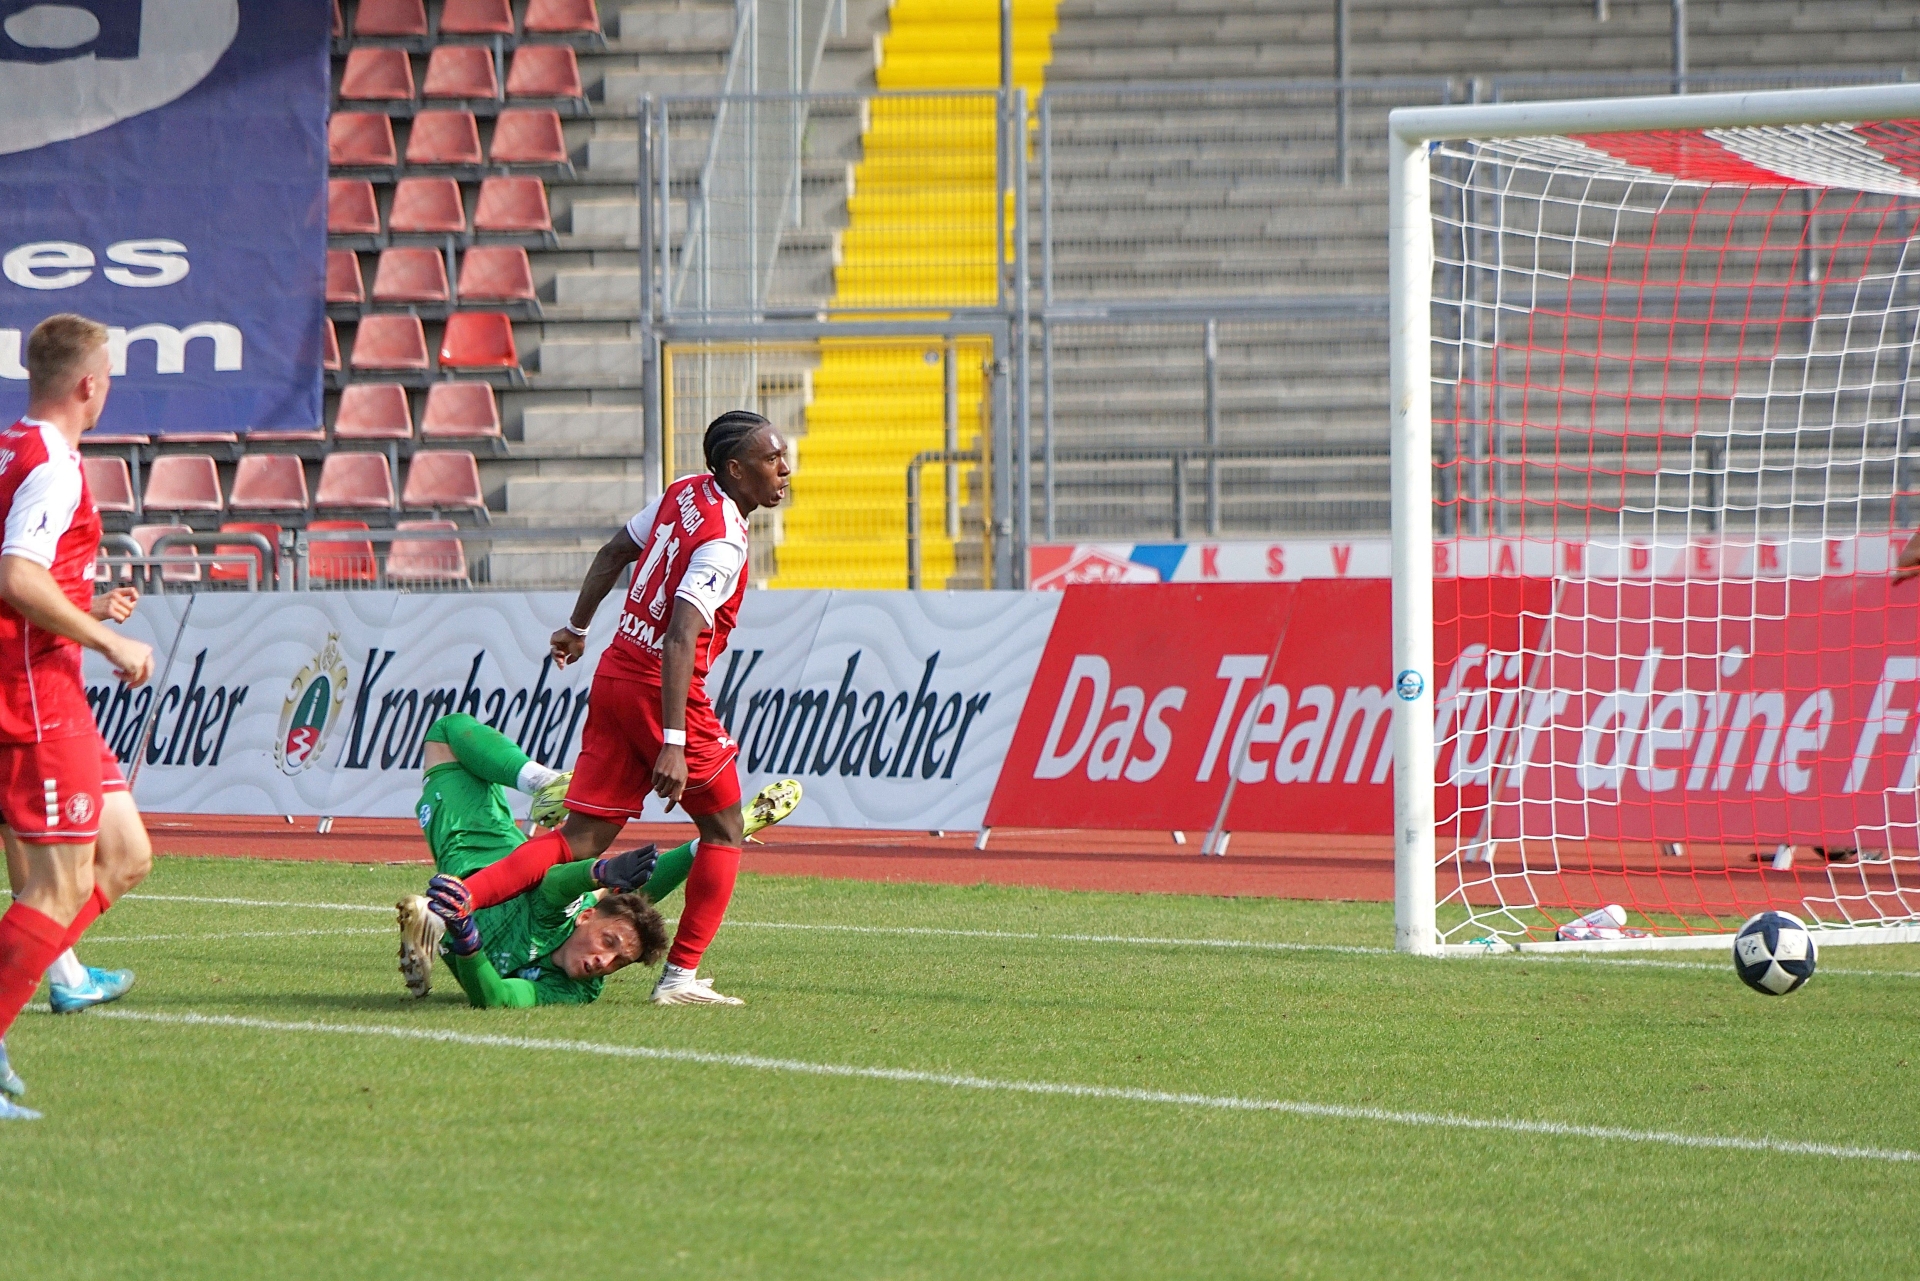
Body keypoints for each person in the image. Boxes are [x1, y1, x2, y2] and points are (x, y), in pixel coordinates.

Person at [433, 411, 791, 1006]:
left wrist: (576, 628)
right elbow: (680, 637)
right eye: (771, 459)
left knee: (581, 838)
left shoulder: (685, 492)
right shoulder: (724, 540)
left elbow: (614, 551)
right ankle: (678, 977)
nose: (785, 469)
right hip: (661, 689)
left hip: (616, 671)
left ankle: (463, 898)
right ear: (735, 469)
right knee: (725, 829)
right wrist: (672, 742)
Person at [0, 314, 156, 1121]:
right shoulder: (55, 464)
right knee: (56, 886)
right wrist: (110, 639)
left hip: (45, 676)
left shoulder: (10, 446)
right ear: (90, 383)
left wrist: (88, 611)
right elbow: (18, 578)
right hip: (35, 690)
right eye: (109, 376)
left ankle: (39, 969)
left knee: (125, 855)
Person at [395, 713, 799, 1006]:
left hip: (499, 869)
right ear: (585, 919)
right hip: (476, 847)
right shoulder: (561, 913)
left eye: (618, 963)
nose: (604, 962)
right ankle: (546, 783)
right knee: (447, 731)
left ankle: (715, 839)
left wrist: (469, 943)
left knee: (619, 901)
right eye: (608, 945)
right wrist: (599, 871)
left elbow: (497, 998)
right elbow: (557, 883)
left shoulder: (581, 987)